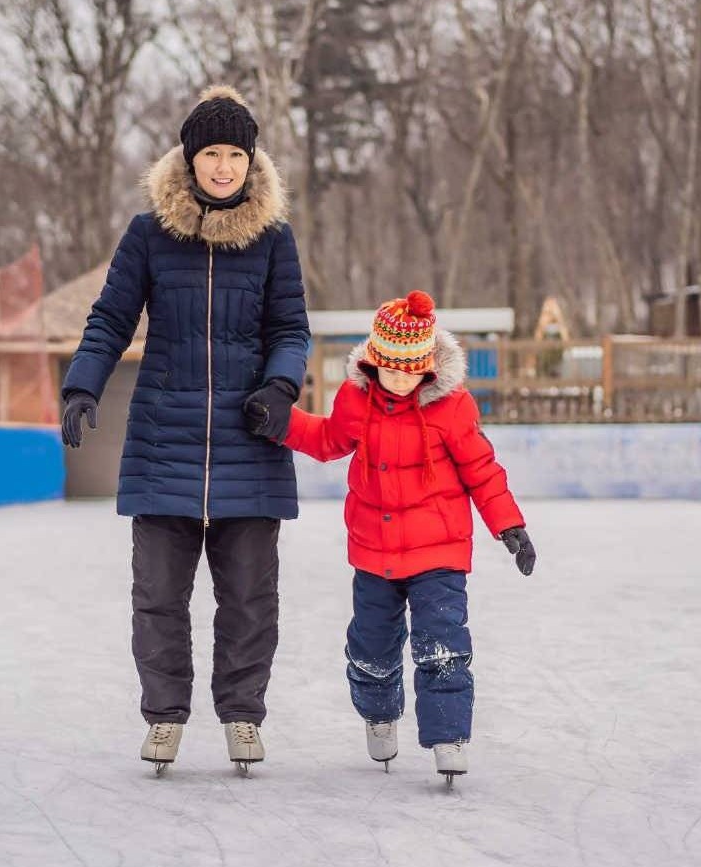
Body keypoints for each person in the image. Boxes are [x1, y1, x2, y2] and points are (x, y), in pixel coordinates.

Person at [60, 85, 310, 774]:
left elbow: (291, 329)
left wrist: (280, 386)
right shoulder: (149, 235)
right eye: (211, 154)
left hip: (250, 442)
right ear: (190, 159)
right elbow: (111, 318)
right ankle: (165, 716)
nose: (223, 167)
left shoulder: (273, 240)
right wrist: (82, 383)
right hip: (161, 443)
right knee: (158, 598)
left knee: (251, 600)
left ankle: (243, 715)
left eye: (235, 155)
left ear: (251, 162)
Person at [249, 290, 535, 782]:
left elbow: (482, 470)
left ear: (427, 366)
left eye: (411, 369)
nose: (400, 378)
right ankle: (379, 715)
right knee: (371, 647)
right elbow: (328, 440)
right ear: (374, 362)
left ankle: (448, 735)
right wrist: (282, 424)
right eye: (391, 369)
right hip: (374, 551)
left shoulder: (452, 407)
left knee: (443, 644)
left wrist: (509, 525)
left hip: (439, 551)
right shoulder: (356, 400)